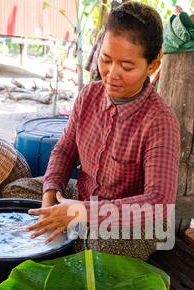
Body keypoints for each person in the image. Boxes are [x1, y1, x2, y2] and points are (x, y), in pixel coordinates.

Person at [10, 1, 180, 260]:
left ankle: (72, 239)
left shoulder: (160, 121)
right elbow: (64, 151)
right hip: (80, 198)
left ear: (153, 65)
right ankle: (69, 233)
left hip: (133, 221)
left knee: (100, 245)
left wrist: (84, 213)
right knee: (16, 193)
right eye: (106, 59)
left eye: (127, 66)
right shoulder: (88, 96)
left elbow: (158, 204)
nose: (112, 74)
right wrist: (49, 194)